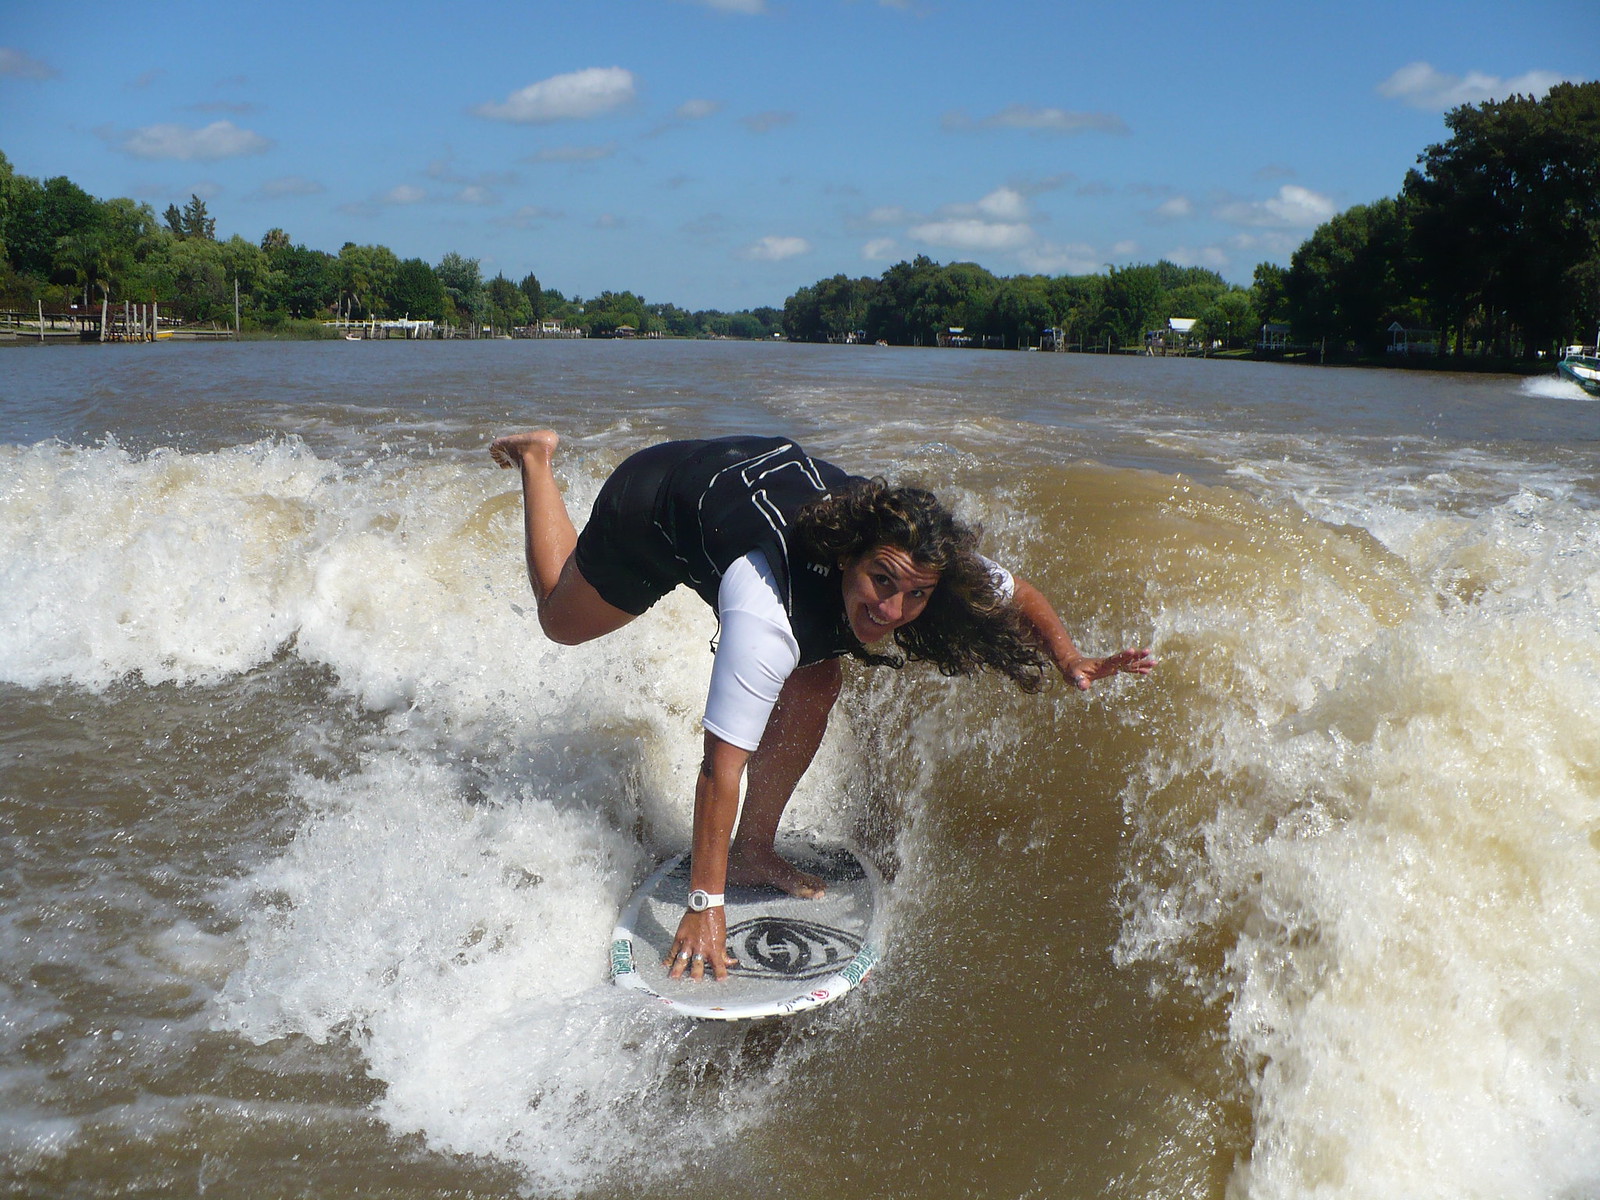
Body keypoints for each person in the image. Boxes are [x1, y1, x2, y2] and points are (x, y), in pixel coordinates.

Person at [489, 431, 1153, 982]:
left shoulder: (918, 553)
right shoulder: (764, 606)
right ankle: (537, 459)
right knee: (561, 619)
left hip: (740, 491)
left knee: (815, 680)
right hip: (658, 507)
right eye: (880, 581)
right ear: (847, 556)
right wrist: (705, 905)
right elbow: (720, 766)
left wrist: (1071, 658)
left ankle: (755, 849)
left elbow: (1018, 594)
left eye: (915, 595)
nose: (892, 610)